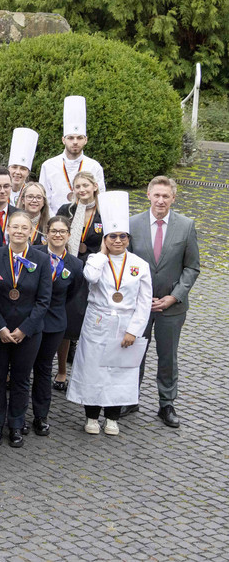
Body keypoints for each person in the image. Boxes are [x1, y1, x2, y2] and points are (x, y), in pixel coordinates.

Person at [67, 191, 151, 436]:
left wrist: (133, 331)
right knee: (93, 368)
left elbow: (144, 302)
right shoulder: (96, 259)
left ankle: (112, 417)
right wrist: (102, 254)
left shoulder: (138, 265)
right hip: (98, 320)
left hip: (124, 322)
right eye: (112, 236)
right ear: (105, 238)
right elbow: (90, 277)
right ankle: (92, 416)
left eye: (122, 236)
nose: (118, 240)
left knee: (119, 371)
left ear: (128, 238)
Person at [126, 176, 200, 427]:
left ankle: (166, 403)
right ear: (148, 195)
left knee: (168, 356)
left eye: (165, 196)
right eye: (156, 195)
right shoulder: (132, 224)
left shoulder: (186, 226)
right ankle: (129, 397)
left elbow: (191, 268)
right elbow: (125, 263)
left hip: (172, 307)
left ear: (173, 199)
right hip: (139, 304)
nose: (160, 200)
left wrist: (174, 296)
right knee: (135, 352)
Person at [0, 212, 52, 448]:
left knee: (22, 380)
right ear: (8, 229)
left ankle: (15, 425)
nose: (20, 232)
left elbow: (44, 300)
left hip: (29, 331)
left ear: (31, 231)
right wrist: (0, 326)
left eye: (25, 228)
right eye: (15, 227)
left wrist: (25, 329)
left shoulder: (42, 259)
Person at [28, 216, 84, 436]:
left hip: (53, 323)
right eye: (54, 231)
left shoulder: (76, 265)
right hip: (30, 321)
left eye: (62, 231)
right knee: (23, 371)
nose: (58, 235)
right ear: (46, 233)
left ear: (69, 235)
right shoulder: (33, 254)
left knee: (43, 370)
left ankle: (40, 416)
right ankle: (18, 415)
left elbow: (72, 292)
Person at [52, 170, 103, 391]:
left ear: (94, 187)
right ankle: (62, 370)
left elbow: (111, 239)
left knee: (90, 322)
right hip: (69, 267)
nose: (82, 190)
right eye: (78, 186)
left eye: (85, 185)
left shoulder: (103, 213)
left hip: (94, 270)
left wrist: (89, 249)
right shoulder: (67, 210)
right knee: (66, 320)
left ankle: (87, 371)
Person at [39, 95, 107, 212]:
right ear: (63, 139)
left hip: (87, 221)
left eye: (79, 138)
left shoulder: (94, 166)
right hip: (56, 222)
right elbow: (44, 199)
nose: (75, 142)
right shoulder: (49, 166)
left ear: (85, 140)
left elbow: (101, 198)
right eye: (70, 138)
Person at [7, 127, 39, 206]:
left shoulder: (33, 193)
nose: (17, 172)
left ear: (28, 172)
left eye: (23, 169)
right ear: (8, 169)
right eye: (14, 167)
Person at [19, 181, 50, 246]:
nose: (34, 200)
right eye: (30, 197)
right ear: (23, 200)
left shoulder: (49, 226)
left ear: (43, 202)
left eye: (39, 197)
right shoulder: (14, 222)